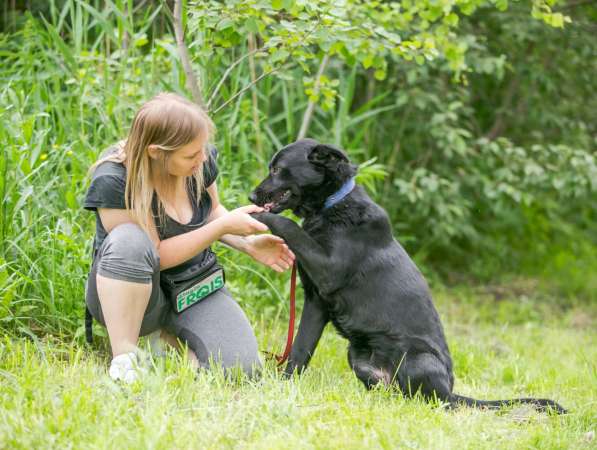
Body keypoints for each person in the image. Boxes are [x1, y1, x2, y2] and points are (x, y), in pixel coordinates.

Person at [84, 92, 294, 382]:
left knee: (241, 369)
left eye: (202, 149)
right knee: (130, 241)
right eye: (191, 155)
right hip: (131, 289)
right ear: (156, 152)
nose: (203, 159)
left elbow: (213, 212)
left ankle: (171, 341)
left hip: (191, 285)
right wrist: (223, 228)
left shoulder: (199, 161)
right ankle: (125, 357)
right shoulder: (114, 179)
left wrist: (247, 244)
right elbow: (156, 254)